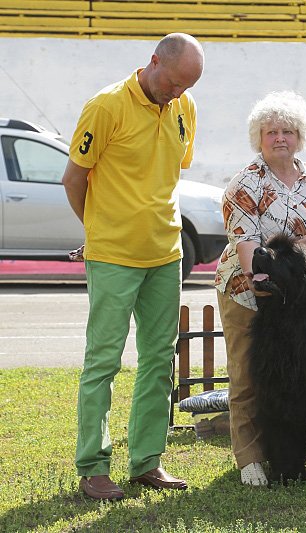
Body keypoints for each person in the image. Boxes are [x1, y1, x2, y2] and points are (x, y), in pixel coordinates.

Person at [62, 33, 204, 501]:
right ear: (153, 62)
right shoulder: (105, 106)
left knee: (160, 361)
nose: (177, 93)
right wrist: (97, 231)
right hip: (113, 256)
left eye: (187, 86)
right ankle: (93, 467)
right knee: (103, 361)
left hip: (166, 254)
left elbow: (171, 170)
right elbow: (74, 178)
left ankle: (147, 461)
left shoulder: (184, 107)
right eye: (174, 83)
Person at [214, 91, 306, 486]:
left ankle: (296, 454)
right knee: (248, 376)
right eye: (271, 131)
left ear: (300, 137)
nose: (279, 139)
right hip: (249, 291)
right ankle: (250, 459)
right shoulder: (245, 183)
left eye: (288, 131)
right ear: (259, 136)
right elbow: (246, 246)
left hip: (304, 300)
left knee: (299, 377)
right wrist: (267, 286)